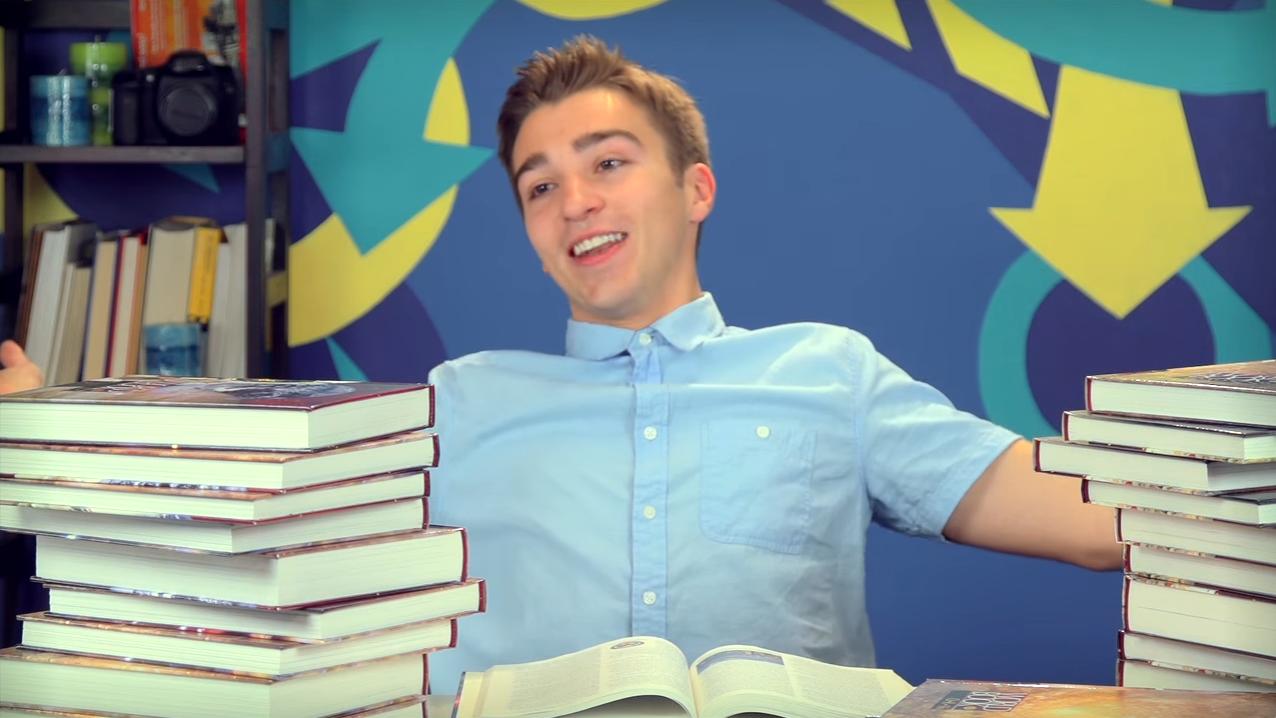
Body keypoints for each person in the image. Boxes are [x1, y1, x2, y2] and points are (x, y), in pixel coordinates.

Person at [425, 36, 1122, 686]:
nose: (576, 202)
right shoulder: (454, 405)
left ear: (696, 190)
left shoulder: (830, 373)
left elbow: (1094, 521)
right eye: (541, 187)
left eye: (608, 162)